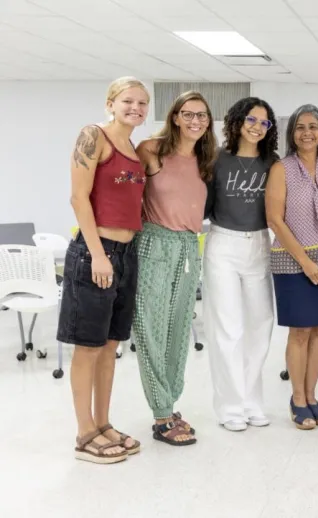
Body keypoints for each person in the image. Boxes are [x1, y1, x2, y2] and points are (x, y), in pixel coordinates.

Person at [59, 77, 149, 464]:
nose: (136, 108)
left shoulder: (134, 149)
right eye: (129, 100)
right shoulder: (93, 135)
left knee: (110, 346)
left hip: (127, 253)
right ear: (111, 102)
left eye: (143, 103)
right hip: (96, 252)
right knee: (89, 346)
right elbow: (79, 197)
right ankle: (84, 435)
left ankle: (103, 423)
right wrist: (97, 255)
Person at [134, 90, 217, 446]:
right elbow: (128, 200)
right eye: (188, 114)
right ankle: (161, 414)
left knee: (179, 330)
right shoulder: (151, 150)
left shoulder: (206, 159)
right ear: (175, 116)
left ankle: (169, 402)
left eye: (202, 115)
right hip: (154, 243)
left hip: (188, 247)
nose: (195, 121)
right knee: (151, 329)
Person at [266, 104, 318, 430]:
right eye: (300, 127)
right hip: (292, 263)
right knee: (299, 332)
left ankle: (312, 396)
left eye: (313, 126)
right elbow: (275, 219)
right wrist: (305, 262)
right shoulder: (281, 169)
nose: (307, 132)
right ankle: (297, 399)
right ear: (292, 133)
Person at [204, 97, 279, 431]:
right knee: (228, 330)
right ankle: (231, 408)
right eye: (252, 119)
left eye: (265, 123)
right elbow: (202, 205)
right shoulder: (216, 160)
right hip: (223, 245)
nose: (257, 127)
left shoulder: (271, 162)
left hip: (260, 244)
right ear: (236, 120)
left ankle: (252, 402)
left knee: (260, 326)